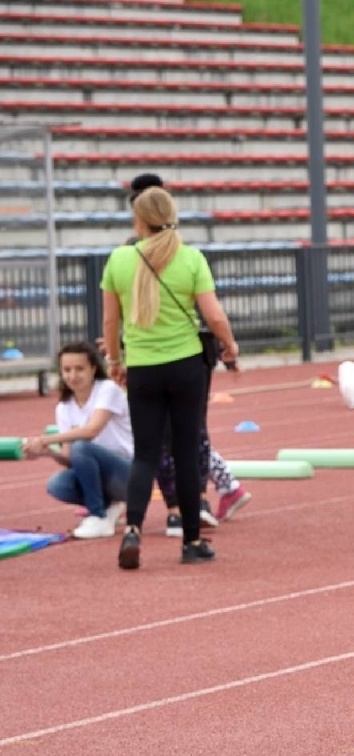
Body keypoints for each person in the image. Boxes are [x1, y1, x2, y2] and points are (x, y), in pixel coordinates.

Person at [102, 185, 241, 569]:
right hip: (185, 367)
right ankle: (192, 540)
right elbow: (213, 316)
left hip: (143, 367)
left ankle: (132, 529)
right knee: (185, 452)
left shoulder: (119, 259)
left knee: (145, 454)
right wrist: (230, 346)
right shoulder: (191, 257)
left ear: (138, 219)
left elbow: (111, 320)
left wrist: (116, 359)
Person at [20, 341, 134, 539]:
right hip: (102, 476)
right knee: (57, 484)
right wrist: (47, 452)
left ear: (93, 368)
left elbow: (91, 431)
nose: (72, 376)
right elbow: (69, 457)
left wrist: (46, 439)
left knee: (82, 446)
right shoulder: (64, 407)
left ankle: (98, 516)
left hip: (129, 474)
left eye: (79, 369)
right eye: (67, 370)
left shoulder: (108, 390)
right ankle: (109, 507)